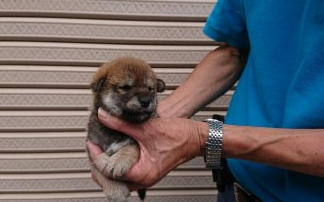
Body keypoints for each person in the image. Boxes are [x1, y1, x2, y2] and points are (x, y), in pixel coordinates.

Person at [87, 0, 324, 201]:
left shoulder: (204, 138)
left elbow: (200, 138)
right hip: (235, 188)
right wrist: (156, 122)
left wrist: (202, 138)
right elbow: (233, 51)